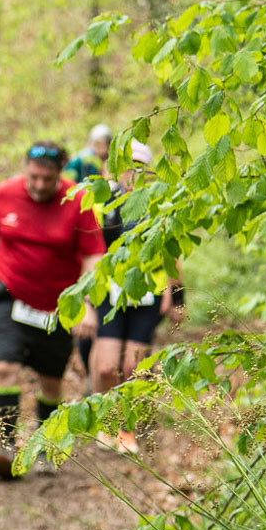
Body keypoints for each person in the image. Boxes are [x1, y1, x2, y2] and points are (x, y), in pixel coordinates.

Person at [0, 140, 105, 479]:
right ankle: (6, 446)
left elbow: (93, 254)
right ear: (25, 169)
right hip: (9, 296)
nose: (39, 185)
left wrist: (86, 303)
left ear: (60, 175)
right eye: (33, 177)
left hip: (58, 304)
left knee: (50, 381)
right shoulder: (5, 193)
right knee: (4, 367)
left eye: (47, 179)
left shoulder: (77, 200)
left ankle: (44, 446)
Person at [88, 140, 184, 452]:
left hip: (148, 294)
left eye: (140, 167)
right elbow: (88, 250)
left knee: (133, 366)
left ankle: (127, 430)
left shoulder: (159, 206)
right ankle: (107, 421)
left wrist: (177, 298)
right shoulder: (101, 204)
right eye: (128, 167)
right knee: (106, 367)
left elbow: (172, 254)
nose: (133, 173)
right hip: (109, 293)